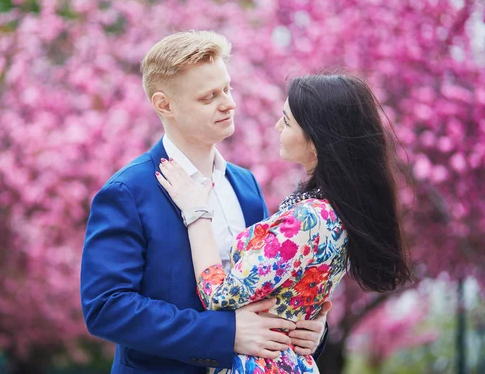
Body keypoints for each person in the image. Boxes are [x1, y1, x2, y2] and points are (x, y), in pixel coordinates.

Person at [80, 31, 330, 374]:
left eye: (227, 89)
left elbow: (271, 283)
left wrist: (310, 329)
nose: (228, 103)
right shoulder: (127, 192)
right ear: (164, 105)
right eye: (208, 97)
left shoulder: (246, 185)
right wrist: (225, 335)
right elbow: (106, 308)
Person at [156, 73, 412, 373]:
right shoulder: (336, 211)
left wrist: (196, 212)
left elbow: (219, 296)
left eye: (287, 121)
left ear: (317, 141)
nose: (277, 126)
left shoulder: (308, 219)